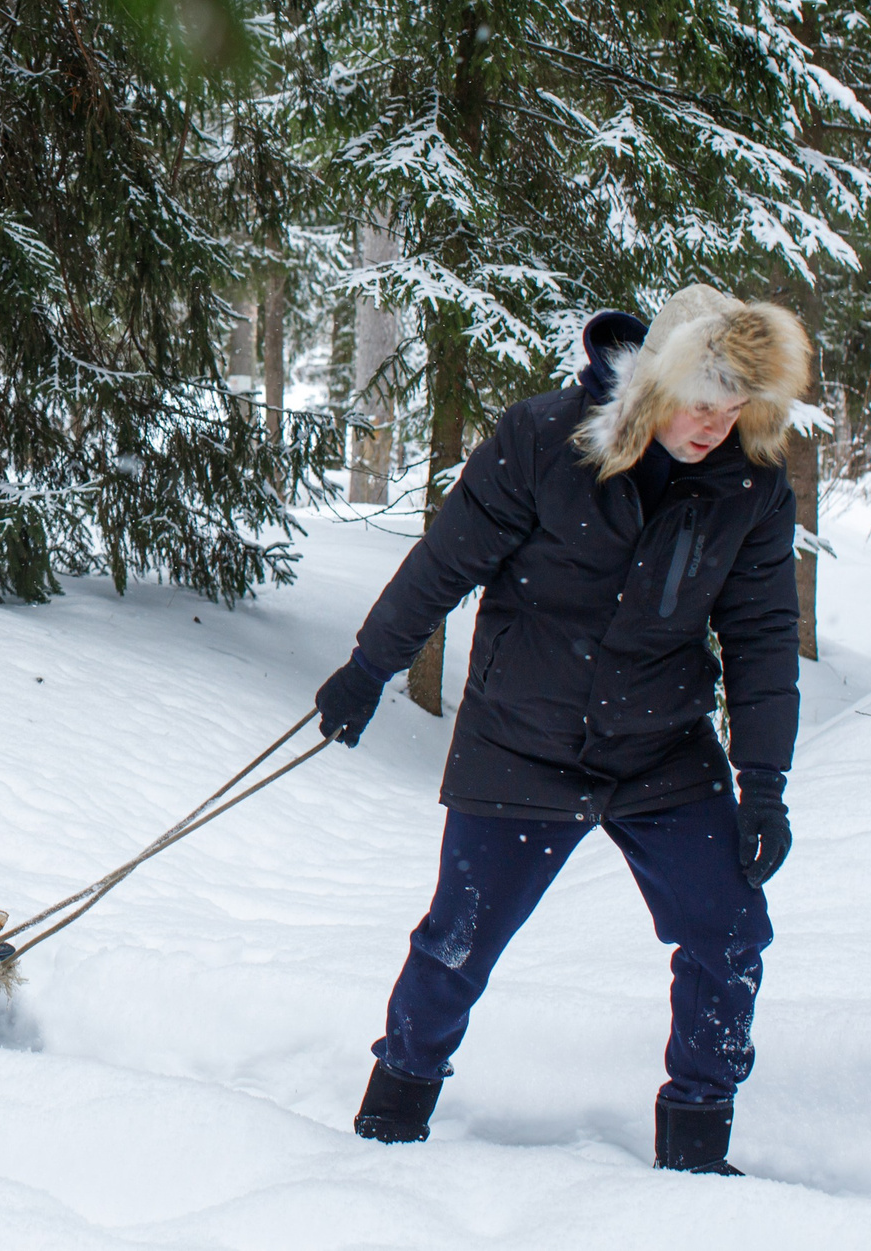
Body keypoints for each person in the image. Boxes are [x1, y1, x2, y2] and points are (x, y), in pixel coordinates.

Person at [314, 284, 809, 1174]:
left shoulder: (751, 484)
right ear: (657, 383)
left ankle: (698, 1139)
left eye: (737, 408)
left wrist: (763, 784)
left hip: (661, 747)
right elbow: (447, 560)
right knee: (456, 944)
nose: (717, 426)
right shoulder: (544, 439)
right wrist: (369, 668)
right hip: (523, 739)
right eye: (703, 404)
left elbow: (762, 636)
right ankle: (389, 1126)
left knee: (731, 931)